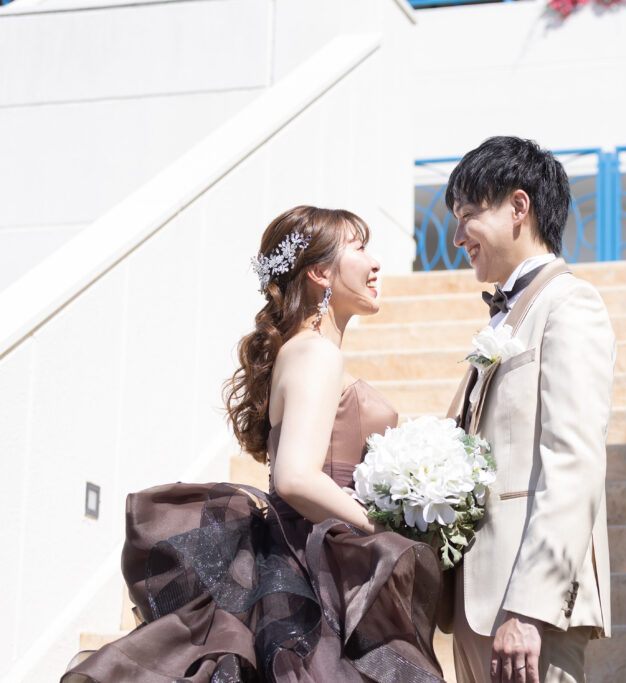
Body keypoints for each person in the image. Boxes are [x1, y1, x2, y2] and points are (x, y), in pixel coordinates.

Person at [63, 206, 445, 682]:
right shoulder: (316, 353)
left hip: (310, 556)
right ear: (320, 272)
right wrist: (379, 526)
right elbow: (296, 478)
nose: (376, 262)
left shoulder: (304, 350)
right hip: (314, 565)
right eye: (359, 247)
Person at [441, 137, 615, 683]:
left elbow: (574, 462)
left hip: (528, 613)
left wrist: (529, 608)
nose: (457, 235)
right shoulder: (503, 314)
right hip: (476, 604)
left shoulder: (570, 303)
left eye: (468, 214)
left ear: (519, 206)